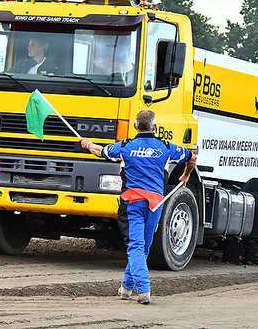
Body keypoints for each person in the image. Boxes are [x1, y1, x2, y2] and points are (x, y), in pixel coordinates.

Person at [80, 110, 197, 305]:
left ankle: (143, 290)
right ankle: (126, 288)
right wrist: (186, 175)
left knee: (135, 246)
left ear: (135, 127)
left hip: (133, 203)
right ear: (155, 127)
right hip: (156, 204)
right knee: (143, 247)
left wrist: (88, 144)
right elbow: (192, 157)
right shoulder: (166, 147)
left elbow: (101, 152)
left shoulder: (126, 146)